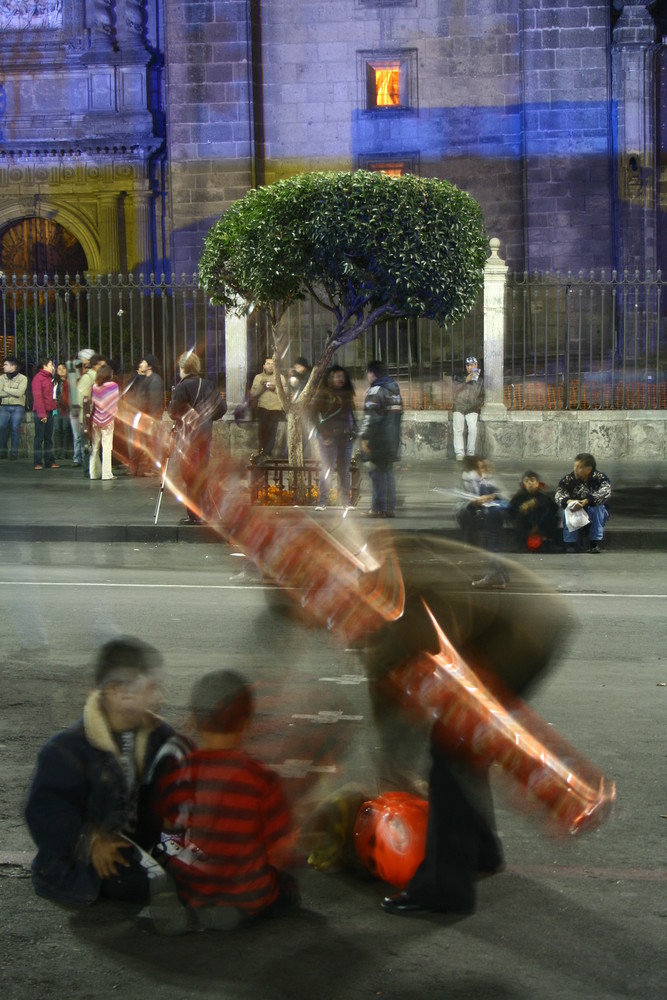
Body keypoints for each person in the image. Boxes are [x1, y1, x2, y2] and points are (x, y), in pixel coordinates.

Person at [24, 637, 182, 906]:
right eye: (115, 686)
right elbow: (45, 812)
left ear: (152, 691)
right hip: (79, 863)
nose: (128, 696)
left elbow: (178, 791)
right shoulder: (66, 749)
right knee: (147, 885)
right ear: (94, 692)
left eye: (138, 687)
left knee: (203, 869)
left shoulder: (160, 737)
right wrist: (91, 841)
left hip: (141, 846)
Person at [150, 669, 298, 933]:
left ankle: (189, 899)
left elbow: (168, 833)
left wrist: (193, 860)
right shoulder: (261, 779)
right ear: (247, 722)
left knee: (167, 849)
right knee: (286, 886)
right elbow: (279, 848)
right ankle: (233, 907)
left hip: (193, 881)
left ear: (194, 720)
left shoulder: (180, 771)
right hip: (245, 888)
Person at [168, 351, 226, 525]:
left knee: (189, 476)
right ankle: (205, 511)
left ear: (183, 368)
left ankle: (194, 515)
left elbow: (172, 412)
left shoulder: (182, 387)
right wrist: (207, 419)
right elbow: (221, 408)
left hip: (188, 438)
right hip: (204, 436)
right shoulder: (208, 385)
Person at [455, 456, 509, 588]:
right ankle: (499, 577)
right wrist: (473, 502)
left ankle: (494, 577)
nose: (482, 471)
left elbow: (504, 496)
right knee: (492, 546)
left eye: (483, 468)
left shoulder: (489, 480)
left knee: (492, 546)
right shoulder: (470, 481)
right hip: (482, 517)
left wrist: (490, 497)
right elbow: (459, 504)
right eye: (479, 468)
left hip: (493, 515)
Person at [359, 359, 403, 518]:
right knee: (388, 473)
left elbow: (370, 418)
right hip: (392, 440)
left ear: (372, 373)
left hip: (378, 440)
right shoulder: (395, 390)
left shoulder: (376, 391)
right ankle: (389, 508)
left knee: (377, 474)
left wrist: (364, 438)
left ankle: (378, 508)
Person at [311, 365, 357, 510]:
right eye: (337, 376)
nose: (340, 379)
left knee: (344, 471)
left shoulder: (347, 394)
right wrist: (323, 433)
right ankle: (322, 501)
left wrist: (354, 430)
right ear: (330, 378)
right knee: (327, 470)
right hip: (329, 438)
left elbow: (350, 414)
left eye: (342, 376)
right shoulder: (324, 394)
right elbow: (312, 415)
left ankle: (346, 502)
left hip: (345, 436)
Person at [555, 452, 611, 554]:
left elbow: (605, 492)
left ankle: (594, 544)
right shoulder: (568, 479)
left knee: (597, 508)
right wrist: (570, 501)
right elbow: (559, 494)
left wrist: (587, 501)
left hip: (593, 511)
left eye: (579, 467)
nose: (575, 469)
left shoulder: (600, 478)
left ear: (588, 469)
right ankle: (570, 544)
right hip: (576, 511)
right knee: (567, 509)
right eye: (575, 466)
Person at [509, 470, 561, 551]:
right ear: (523, 484)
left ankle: (549, 541)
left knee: (551, 514)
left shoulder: (543, 496)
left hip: (541, 525)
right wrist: (522, 508)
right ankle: (519, 543)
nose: (530, 483)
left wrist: (537, 503)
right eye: (526, 481)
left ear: (537, 483)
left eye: (532, 480)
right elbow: (511, 509)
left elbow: (554, 508)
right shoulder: (519, 496)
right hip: (525, 527)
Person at [130, 354, 165, 475]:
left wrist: (150, 419)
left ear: (149, 366)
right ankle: (141, 468)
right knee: (144, 443)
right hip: (144, 417)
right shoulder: (146, 379)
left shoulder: (155, 380)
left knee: (152, 444)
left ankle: (154, 469)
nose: (141, 365)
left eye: (143, 363)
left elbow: (154, 401)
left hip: (149, 418)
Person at [249, 358, 287, 458]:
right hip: (262, 407)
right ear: (264, 366)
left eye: (273, 364)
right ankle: (264, 451)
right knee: (262, 431)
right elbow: (253, 394)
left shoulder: (280, 377)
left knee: (272, 431)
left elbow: (285, 393)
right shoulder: (258, 377)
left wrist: (275, 389)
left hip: (275, 408)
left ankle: (266, 453)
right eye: (268, 364)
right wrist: (262, 386)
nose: (270, 366)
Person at [77, 350, 107, 478]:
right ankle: (88, 470)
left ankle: (95, 470)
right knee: (89, 444)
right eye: (102, 365)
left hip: (97, 416)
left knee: (96, 444)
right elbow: (81, 399)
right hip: (88, 417)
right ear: (95, 365)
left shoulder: (98, 377)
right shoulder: (88, 377)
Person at [89, 363, 120, 481]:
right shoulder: (113, 386)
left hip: (95, 419)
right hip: (108, 420)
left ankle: (93, 473)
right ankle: (106, 474)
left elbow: (94, 403)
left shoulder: (94, 386)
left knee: (95, 447)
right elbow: (114, 403)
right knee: (107, 447)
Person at [452, 356, 485, 461]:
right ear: (466, 367)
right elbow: (454, 390)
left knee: (473, 429)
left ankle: (471, 453)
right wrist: (465, 381)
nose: (471, 367)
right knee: (458, 429)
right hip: (459, 406)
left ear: (477, 366)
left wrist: (477, 404)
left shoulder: (480, 380)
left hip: (472, 408)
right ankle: (459, 453)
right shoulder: (459, 377)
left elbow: (482, 395)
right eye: (468, 365)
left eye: (473, 365)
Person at [31, 358, 59, 470]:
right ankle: (37, 461)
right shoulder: (38, 379)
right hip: (41, 411)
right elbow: (38, 398)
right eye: (51, 365)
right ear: (44, 366)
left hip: (50, 410)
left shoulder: (49, 378)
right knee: (39, 438)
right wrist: (42, 415)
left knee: (48, 437)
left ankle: (49, 460)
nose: (53, 367)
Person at [0, 355, 28, 460]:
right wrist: (12, 392)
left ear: (13, 366)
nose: (4, 367)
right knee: (1, 427)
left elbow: (20, 393)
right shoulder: (1, 378)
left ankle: (14, 453)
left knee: (15, 428)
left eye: (6, 364)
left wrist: (6, 389)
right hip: (4, 406)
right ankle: (3, 451)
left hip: (18, 407)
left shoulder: (23, 378)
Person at [53, 362, 73, 461]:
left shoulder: (70, 381)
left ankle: (65, 453)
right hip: (56, 407)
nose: (61, 370)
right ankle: (58, 452)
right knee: (57, 430)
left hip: (67, 408)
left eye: (63, 368)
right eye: (59, 368)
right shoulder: (54, 382)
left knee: (65, 429)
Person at [66, 358, 84, 466]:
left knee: (81, 436)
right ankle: (77, 458)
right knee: (77, 436)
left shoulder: (85, 379)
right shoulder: (70, 380)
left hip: (81, 410)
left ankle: (81, 457)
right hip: (74, 410)